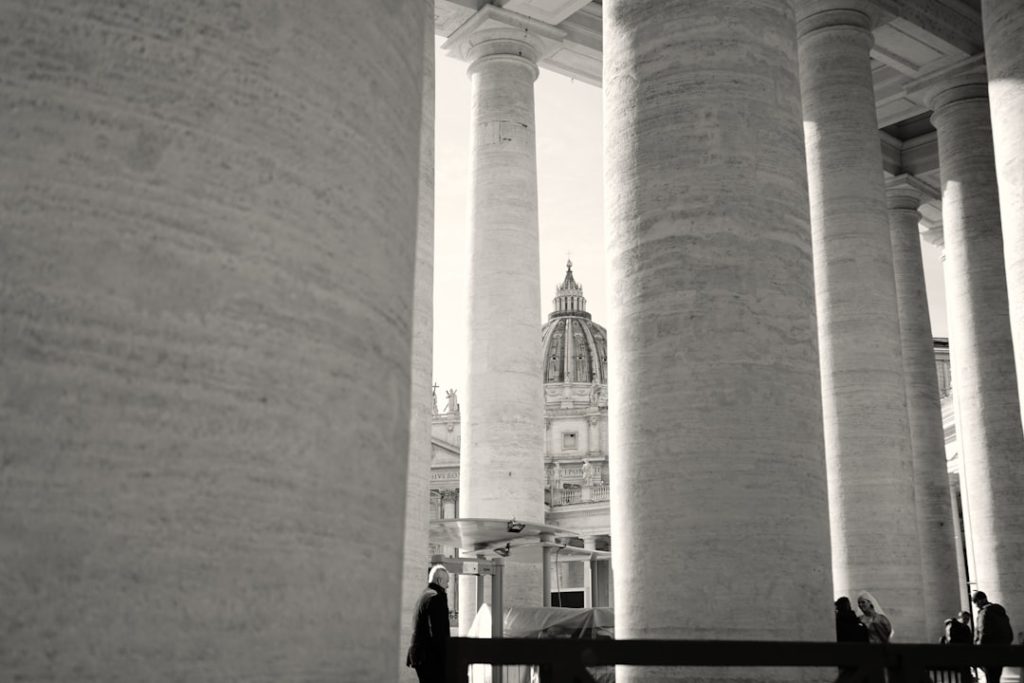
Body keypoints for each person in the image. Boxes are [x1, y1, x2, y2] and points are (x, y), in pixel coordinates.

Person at [406, 565, 451, 683]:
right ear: (439, 580)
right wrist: (446, 659)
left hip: (419, 656)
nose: (448, 586)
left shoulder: (424, 595)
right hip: (430, 657)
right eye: (447, 582)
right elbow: (438, 632)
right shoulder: (436, 597)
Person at [972, 591, 1014, 683]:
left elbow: (982, 634)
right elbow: (1010, 633)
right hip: (1002, 651)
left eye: (975, 603)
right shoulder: (1000, 612)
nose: (976, 606)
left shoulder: (984, 613)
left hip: (988, 653)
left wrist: (977, 652)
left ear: (980, 601)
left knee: (990, 678)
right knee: (996, 678)